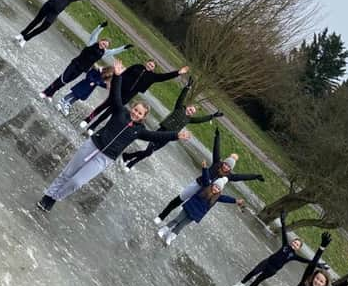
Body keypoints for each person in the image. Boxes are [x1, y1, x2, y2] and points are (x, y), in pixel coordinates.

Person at [36, 60, 191, 212]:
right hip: (93, 144)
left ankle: (56, 197)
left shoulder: (139, 130)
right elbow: (116, 95)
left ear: (144, 116)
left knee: (77, 182)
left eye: (139, 113)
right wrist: (117, 76)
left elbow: (156, 137)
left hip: (106, 158)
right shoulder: (121, 112)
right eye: (135, 110)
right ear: (132, 108)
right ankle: (48, 197)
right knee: (68, 173)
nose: (135, 114)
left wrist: (176, 135)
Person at [154, 128, 264, 224]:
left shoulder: (229, 176)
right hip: (198, 185)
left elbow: (242, 177)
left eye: (228, 167)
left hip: (205, 193)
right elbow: (216, 149)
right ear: (224, 162)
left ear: (230, 169)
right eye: (225, 164)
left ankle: (173, 227)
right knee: (179, 199)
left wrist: (255, 176)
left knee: (191, 210)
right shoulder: (217, 163)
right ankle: (161, 216)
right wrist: (217, 136)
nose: (226, 167)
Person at [119, 77, 223, 171]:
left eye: (193, 112)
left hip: (169, 137)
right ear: (187, 107)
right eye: (190, 109)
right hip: (161, 131)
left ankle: (128, 157)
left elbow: (201, 119)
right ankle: (130, 162)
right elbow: (181, 98)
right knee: (148, 152)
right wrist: (187, 87)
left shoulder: (189, 119)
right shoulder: (179, 108)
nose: (191, 112)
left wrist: (212, 116)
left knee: (149, 153)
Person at [230, 210, 328, 286]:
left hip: (273, 269)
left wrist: (318, 264)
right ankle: (240, 283)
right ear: (291, 242)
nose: (295, 244)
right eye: (294, 242)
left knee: (259, 280)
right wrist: (283, 221)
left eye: (297, 245)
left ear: (298, 248)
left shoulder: (294, 256)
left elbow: (307, 261)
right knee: (254, 272)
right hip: (268, 262)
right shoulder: (285, 245)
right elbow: (284, 232)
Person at [79, 60, 189, 135]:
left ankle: (93, 127)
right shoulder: (137, 66)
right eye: (149, 64)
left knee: (111, 111)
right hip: (119, 89)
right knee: (105, 105)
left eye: (152, 66)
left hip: (128, 95)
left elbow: (164, 77)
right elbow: (122, 73)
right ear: (146, 62)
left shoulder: (152, 77)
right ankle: (87, 119)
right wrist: (114, 82)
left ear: (153, 68)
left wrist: (178, 72)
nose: (149, 66)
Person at [38, 21, 132, 101]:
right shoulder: (92, 43)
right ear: (100, 41)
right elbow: (94, 34)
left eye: (105, 46)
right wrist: (101, 27)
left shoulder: (103, 52)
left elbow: (114, 51)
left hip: (82, 69)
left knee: (66, 82)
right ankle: (45, 92)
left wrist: (125, 48)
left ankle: (51, 94)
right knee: (62, 79)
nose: (103, 46)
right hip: (75, 64)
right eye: (103, 43)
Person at [156, 161, 244, 246]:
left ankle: (171, 236)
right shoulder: (206, 186)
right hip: (189, 207)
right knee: (177, 219)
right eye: (215, 186)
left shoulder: (217, 197)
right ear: (212, 185)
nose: (215, 189)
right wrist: (205, 167)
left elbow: (226, 199)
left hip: (196, 214)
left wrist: (235, 200)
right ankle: (164, 230)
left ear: (219, 191)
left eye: (218, 189)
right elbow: (206, 176)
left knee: (181, 225)